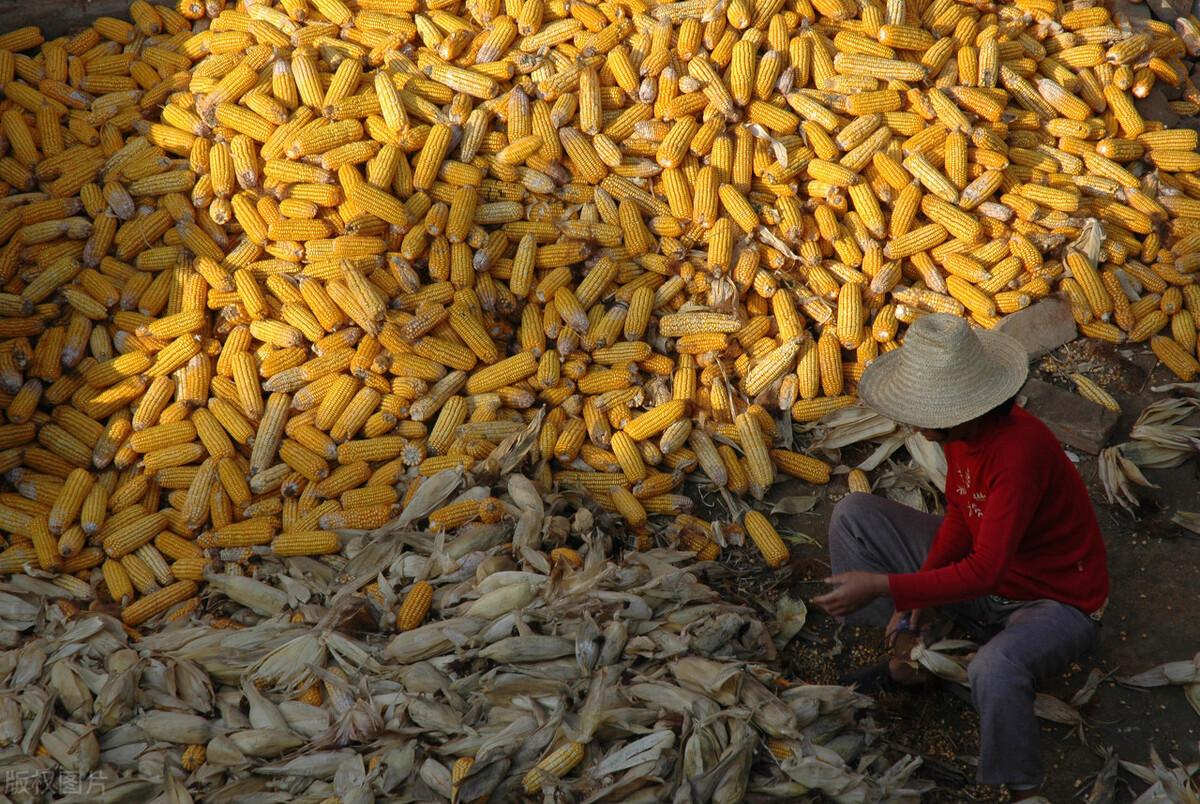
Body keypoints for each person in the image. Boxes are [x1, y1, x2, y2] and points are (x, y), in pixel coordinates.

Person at [812, 314, 1110, 801]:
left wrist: (891, 586)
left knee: (994, 669)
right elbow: (960, 513)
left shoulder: (1017, 454)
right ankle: (907, 658)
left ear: (971, 407)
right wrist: (915, 600)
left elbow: (986, 570)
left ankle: (1023, 787)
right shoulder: (963, 435)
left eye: (931, 417)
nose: (921, 428)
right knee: (854, 515)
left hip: (1054, 601)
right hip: (990, 574)